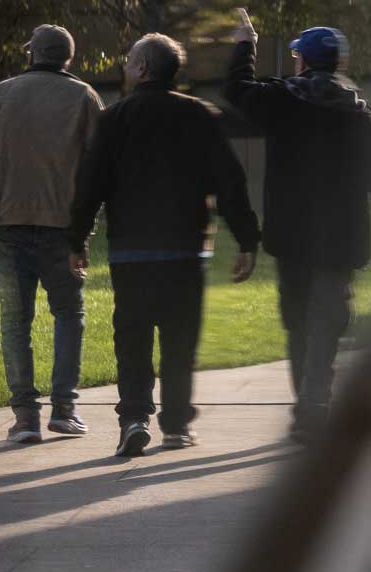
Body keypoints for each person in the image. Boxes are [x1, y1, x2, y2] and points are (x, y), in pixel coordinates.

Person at [68, 33, 260, 457]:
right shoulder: (199, 115)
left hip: (131, 251)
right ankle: (175, 425)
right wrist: (247, 239)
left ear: (141, 69)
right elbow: (230, 181)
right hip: (185, 249)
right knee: (179, 339)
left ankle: (134, 418)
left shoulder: (115, 118)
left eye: (130, 59)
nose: (125, 64)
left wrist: (77, 238)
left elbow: (90, 184)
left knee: (132, 337)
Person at [224, 9, 371, 443]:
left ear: (303, 61)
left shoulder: (282, 99)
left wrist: (246, 43)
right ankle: (314, 403)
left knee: (299, 321)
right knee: (327, 320)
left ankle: (308, 402)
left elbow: (236, 90)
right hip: (340, 237)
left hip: (292, 235)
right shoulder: (356, 110)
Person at [0, 24, 104, 444]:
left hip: (6, 220)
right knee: (68, 314)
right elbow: (98, 168)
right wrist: (84, 235)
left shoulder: (1, 93)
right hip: (61, 224)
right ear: (68, 57)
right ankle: (64, 409)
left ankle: (25, 417)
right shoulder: (84, 97)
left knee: (15, 319)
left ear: (32, 53)